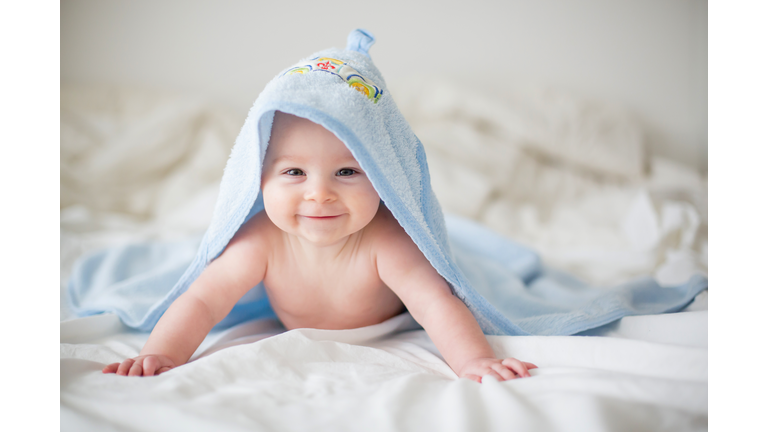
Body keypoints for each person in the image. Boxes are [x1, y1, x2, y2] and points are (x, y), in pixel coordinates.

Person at [103, 111, 537, 382]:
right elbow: (203, 298)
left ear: (384, 180)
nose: (319, 194)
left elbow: (435, 303)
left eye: (347, 172)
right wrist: (162, 353)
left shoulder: (387, 239)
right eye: (294, 172)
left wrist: (473, 361)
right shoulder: (261, 239)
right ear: (258, 180)